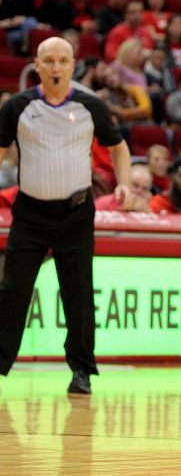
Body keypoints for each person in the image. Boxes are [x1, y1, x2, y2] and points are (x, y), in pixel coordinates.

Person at [0, 37, 132, 394]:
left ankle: (82, 371)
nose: (56, 68)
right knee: (13, 290)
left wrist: (124, 184)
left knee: (78, 294)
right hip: (29, 214)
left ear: (73, 65)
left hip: (76, 215)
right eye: (49, 61)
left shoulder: (91, 106)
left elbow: (119, 148)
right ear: (37, 65)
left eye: (63, 61)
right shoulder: (18, 106)